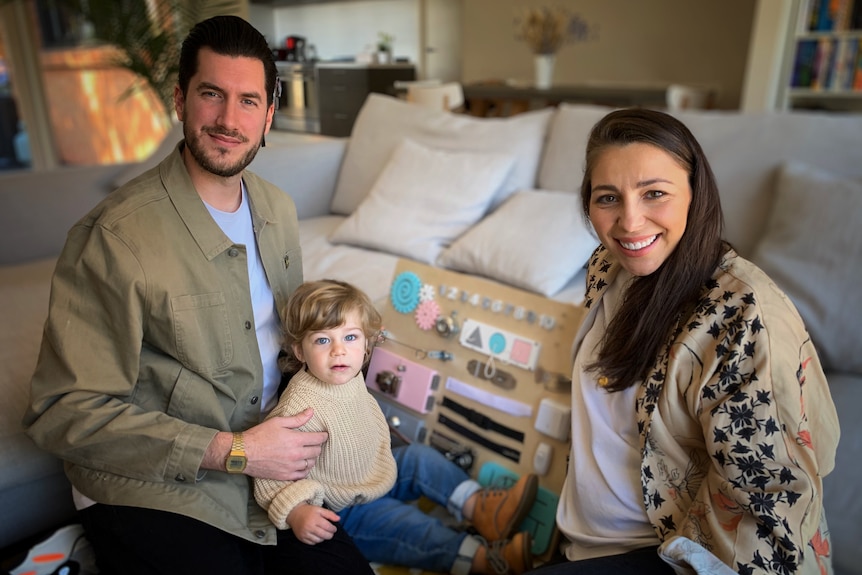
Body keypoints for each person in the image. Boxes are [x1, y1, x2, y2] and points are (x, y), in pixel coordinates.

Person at [22, 15, 369, 575]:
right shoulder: (113, 237)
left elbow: (286, 342)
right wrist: (237, 451)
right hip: (147, 485)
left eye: (249, 102)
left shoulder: (277, 210)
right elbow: (64, 412)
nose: (230, 121)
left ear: (269, 116)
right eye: (213, 95)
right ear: (181, 100)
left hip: (266, 474)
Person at [526, 109, 839, 575]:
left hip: (665, 555)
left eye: (654, 193)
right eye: (608, 197)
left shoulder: (744, 319)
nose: (629, 223)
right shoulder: (608, 266)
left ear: (696, 193)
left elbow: (770, 512)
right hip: (579, 536)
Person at [254, 279, 539, 575]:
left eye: (350, 338)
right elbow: (268, 475)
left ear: (367, 342)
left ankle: (482, 507)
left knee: (420, 458)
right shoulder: (299, 408)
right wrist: (298, 512)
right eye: (323, 341)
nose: (339, 351)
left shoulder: (347, 376)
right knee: (407, 526)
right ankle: (482, 559)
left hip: (373, 475)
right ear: (300, 351)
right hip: (344, 511)